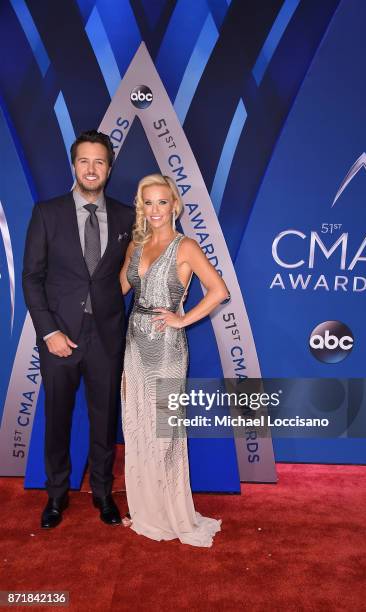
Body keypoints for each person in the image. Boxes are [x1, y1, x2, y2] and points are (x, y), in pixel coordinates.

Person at [22, 130, 134, 528]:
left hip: (106, 336)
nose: (91, 168)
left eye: (99, 161)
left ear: (109, 167)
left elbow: (135, 268)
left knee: (104, 420)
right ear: (74, 165)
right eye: (84, 161)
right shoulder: (47, 213)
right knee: (57, 418)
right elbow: (32, 278)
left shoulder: (126, 216)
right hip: (59, 338)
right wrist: (49, 332)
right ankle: (56, 496)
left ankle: (104, 494)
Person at [119, 173, 230, 547]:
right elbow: (118, 286)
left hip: (166, 349)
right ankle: (147, 510)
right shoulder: (137, 243)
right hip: (134, 343)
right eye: (147, 202)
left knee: (164, 432)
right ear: (141, 206)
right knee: (137, 426)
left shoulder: (186, 247)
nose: (154, 210)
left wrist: (182, 318)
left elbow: (219, 291)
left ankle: (171, 512)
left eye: (161, 202)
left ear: (174, 205)